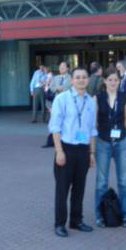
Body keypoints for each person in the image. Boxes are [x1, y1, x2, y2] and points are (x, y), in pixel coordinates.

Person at [49, 67, 97, 237]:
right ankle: (59, 223)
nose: (81, 80)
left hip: (83, 150)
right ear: (72, 80)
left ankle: (76, 221)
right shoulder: (62, 99)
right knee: (62, 189)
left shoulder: (91, 101)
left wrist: (91, 153)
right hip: (66, 149)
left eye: (84, 77)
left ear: (88, 80)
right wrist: (59, 151)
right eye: (78, 77)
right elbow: (55, 127)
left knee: (79, 188)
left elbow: (92, 130)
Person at [94, 68, 126, 228]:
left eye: (116, 79)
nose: (113, 82)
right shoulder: (98, 97)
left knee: (124, 181)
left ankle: (125, 215)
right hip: (103, 141)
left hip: (121, 141)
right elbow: (95, 121)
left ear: (119, 81)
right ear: (105, 81)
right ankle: (100, 216)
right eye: (110, 80)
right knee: (101, 181)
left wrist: (119, 132)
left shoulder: (124, 96)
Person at [42, 62, 71, 148]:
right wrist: (57, 88)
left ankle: (65, 141)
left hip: (67, 104)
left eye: (63, 66)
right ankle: (50, 141)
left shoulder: (71, 78)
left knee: (66, 123)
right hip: (56, 103)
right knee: (53, 122)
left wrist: (62, 88)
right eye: (60, 66)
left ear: (68, 68)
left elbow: (70, 88)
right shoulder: (56, 77)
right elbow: (51, 87)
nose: (61, 68)